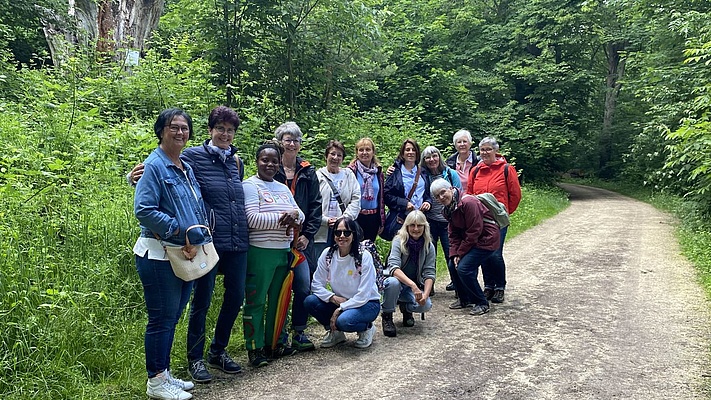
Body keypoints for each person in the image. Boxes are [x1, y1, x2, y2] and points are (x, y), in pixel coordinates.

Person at [129, 106, 248, 384]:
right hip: (184, 246)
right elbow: (147, 191)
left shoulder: (230, 163)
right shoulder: (191, 156)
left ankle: (203, 358)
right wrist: (178, 231)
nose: (225, 134)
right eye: (220, 128)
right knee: (193, 305)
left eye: (230, 130)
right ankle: (188, 363)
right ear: (209, 131)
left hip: (221, 243)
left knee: (223, 301)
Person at [133, 108, 204, 400]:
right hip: (158, 254)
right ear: (161, 130)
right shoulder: (154, 165)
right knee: (161, 318)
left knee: (173, 316)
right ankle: (156, 382)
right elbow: (144, 209)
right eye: (173, 127)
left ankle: (164, 372)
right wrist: (178, 230)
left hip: (182, 253)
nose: (179, 132)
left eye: (184, 128)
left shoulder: (183, 165)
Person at [242, 141, 305, 367]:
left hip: (283, 251)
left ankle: (275, 343)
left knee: (280, 301)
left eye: (274, 161)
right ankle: (255, 347)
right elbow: (252, 219)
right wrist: (285, 219)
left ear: (280, 164)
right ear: (257, 161)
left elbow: (301, 215)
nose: (269, 164)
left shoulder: (283, 188)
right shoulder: (249, 186)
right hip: (260, 252)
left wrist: (294, 215)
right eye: (265, 160)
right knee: (256, 301)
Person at [273, 121, 323, 351]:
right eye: (287, 139)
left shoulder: (308, 170)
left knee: (304, 285)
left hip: (301, 241)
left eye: (295, 140)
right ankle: (277, 334)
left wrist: (308, 235)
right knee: (278, 287)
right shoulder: (271, 167)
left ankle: (299, 332)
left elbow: (315, 205)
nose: (292, 144)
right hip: (277, 240)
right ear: (279, 142)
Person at [304, 216, 380, 349]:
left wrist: (340, 309)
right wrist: (332, 298)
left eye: (347, 232)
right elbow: (316, 284)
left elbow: (363, 295)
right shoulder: (328, 254)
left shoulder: (363, 256)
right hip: (341, 301)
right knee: (310, 301)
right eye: (338, 232)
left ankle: (367, 328)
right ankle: (336, 332)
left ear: (354, 235)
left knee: (345, 321)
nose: (342, 236)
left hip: (367, 304)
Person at [430, 178, 500, 316]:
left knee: (464, 268)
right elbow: (453, 233)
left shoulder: (468, 202)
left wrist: (461, 253)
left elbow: (475, 230)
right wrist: (455, 254)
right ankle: (464, 298)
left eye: (443, 192)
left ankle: (481, 302)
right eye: (437, 196)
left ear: (450, 189)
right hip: (471, 240)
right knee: (452, 264)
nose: (441, 197)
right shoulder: (447, 209)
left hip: (487, 239)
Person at [466, 136, 522, 303]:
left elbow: (515, 194)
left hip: (497, 220)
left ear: (496, 151)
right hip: (480, 219)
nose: (485, 152)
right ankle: (488, 286)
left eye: (488, 149)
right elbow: (469, 193)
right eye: (482, 150)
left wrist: (504, 212)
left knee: (495, 254)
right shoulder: (475, 170)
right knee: (483, 253)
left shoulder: (506, 169)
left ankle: (499, 286)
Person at [380, 210, 435, 337]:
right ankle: (387, 316)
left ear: (425, 227)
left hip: (412, 287)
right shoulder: (398, 241)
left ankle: (406, 308)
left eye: (419, 225)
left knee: (426, 305)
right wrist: (413, 285)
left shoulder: (429, 246)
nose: (416, 229)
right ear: (407, 226)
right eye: (412, 225)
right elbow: (393, 268)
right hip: (397, 283)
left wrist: (425, 294)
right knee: (393, 283)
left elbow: (429, 272)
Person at [420, 146, 461, 295]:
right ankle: (428, 288)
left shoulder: (451, 174)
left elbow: (458, 195)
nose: (432, 160)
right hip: (429, 221)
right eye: (428, 157)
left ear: (439, 157)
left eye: (434, 156)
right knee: (428, 255)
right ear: (424, 161)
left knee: (451, 254)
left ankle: (459, 287)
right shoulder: (423, 176)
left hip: (448, 222)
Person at [444, 129, 479, 291]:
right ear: (455, 144)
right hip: (455, 209)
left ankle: (474, 282)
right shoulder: (449, 163)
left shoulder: (478, 162)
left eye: (465, 141)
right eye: (459, 142)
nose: (462, 144)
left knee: (473, 244)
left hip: (472, 208)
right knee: (456, 243)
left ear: (470, 143)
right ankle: (458, 280)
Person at [314, 140, 361, 257]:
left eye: (339, 155)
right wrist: (325, 220)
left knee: (344, 260)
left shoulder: (348, 175)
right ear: (326, 156)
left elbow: (356, 199)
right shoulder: (317, 176)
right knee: (322, 261)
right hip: (322, 229)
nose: (335, 158)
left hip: (344, 230)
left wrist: (343, 220)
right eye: (332, 154)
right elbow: (311, 203)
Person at [383, 138, 431, 238]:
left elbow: (428, 195)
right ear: (402, 153)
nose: (411, 152)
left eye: (413, 150)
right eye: (407, 150)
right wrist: (404, 204)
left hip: (420, 219)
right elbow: (386, 196)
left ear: (417, 153)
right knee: (401, 247)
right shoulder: (394, 172)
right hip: (403, 218)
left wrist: (428, 202)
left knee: (420, 248)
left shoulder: (423, 172)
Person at [347, 137, 386, 242]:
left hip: (373, 218)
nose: (364, 153)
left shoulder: (378, 172)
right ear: (357, 153)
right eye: (361, 150)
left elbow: (381, 198)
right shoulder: (351, 172)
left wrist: (381, 221)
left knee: (368, 249)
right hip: (356, 217)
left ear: (373, 152)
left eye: (368, 149)